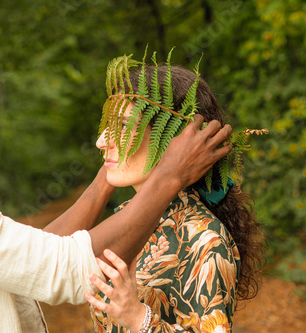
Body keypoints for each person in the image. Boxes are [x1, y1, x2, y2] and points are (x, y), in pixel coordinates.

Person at [0, 19, 233, 332]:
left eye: (122, 128)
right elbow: (64, 268)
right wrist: (169, 174)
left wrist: (111, 171)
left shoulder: (204, 239)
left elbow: (36, 252)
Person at [85, 64, 266, 332]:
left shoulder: (204, 238)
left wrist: (138, 319)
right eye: (106, 126)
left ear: (171, 139)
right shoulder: (125, 218)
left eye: (122, 126)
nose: (102, 141)